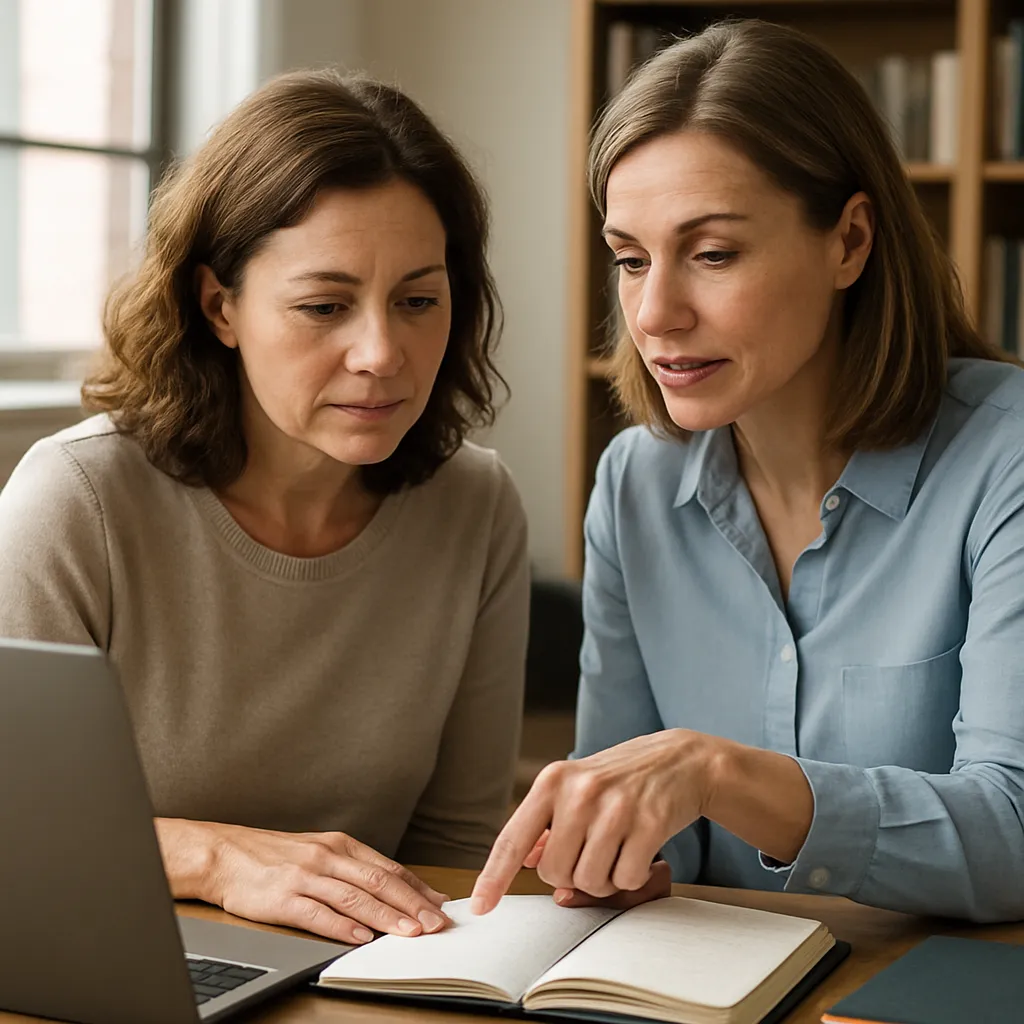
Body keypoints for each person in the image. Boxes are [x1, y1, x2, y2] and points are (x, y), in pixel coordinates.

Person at [471, 18, 1024, 924]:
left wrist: (717, 773)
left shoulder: (1007, 457)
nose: (654, 314)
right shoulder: (634, 485)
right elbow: (644, 821)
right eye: (630, 259)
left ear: (850, 241)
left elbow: (1013, 834)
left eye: (714, 253)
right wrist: (615, 854)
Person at [0, 69, 530, 945]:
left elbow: (453, 850)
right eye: (324, 306)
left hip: (361, 978)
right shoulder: (77, 502)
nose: (380, 353)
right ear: (220, 306)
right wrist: (214, 859)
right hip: (110, 968)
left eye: (419, 301)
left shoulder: (476, 508)